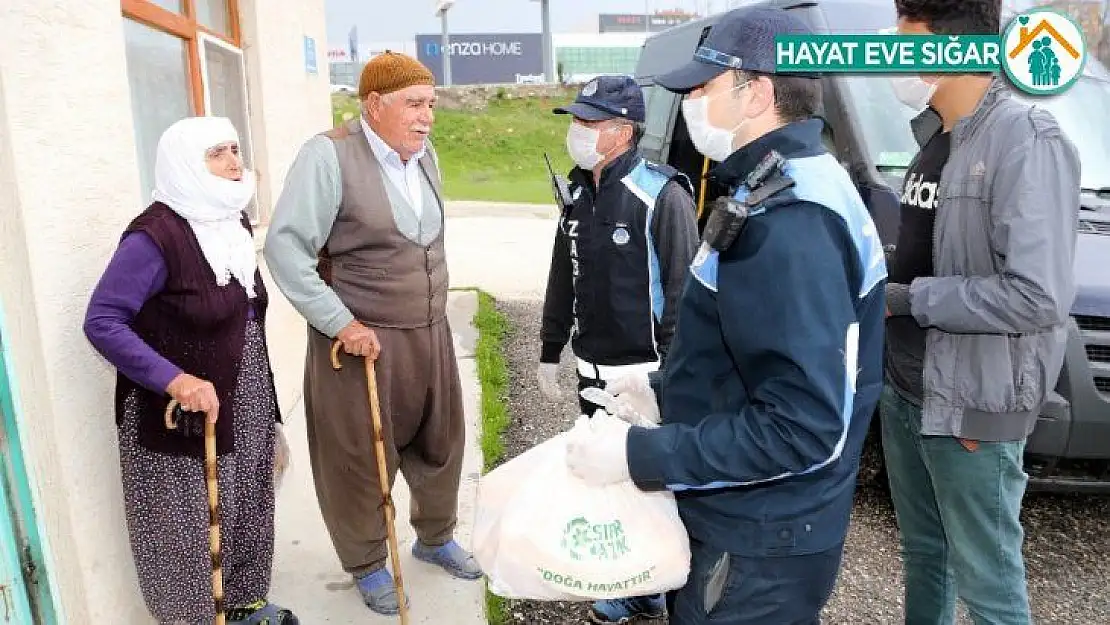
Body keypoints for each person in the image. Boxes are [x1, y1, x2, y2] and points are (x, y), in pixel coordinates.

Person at [563, 7, 888, 624]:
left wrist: (640, 456)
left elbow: (802, 428)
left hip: (760, 538)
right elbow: (752, 352)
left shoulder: (792, 218)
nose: (689, 101)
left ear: (758, 93)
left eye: (705, 87)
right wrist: (658, 389)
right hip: (753, 521)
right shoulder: (782, 182)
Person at [882, 2, 1080, 623]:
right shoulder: (935, 136)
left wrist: (911, 299)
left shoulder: (1025, 137)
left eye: (904, 35)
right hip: (908, 389)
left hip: (973, 400)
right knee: (925, 556)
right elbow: (932, 248)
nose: (890, 49)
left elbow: (1036, 295)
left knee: (988, 582)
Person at [262, 51, 480, 616]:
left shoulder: (423, 155)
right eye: (414, 103)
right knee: (358, 459)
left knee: (441, 442)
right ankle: (366, 563)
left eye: (430, 104)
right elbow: (286, 250)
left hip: (428, 332)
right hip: (360, 342)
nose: (426, 116)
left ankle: (435, 539)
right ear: (374, 105)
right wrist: (340, 322)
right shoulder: (328, 156)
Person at [83, 116, 296, 625]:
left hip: (241, 394)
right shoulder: (154, 238)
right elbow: (102, 321)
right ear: (184, 165)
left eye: (234, 149)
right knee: (181, 529)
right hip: (176, 413)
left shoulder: (231, 222)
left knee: (246, 499)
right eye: (216, 154)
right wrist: (174, 379)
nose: (233, 161)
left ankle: (243, 605)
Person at [538, 75, 699, 623]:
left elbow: (684, 293)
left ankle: (673, 587)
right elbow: (565, 274)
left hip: (646, 372)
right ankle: (635, 582)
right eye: (576, 121)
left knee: (659, 483)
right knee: (609, 480)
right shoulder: (579, 192)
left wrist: (674, 378)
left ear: (624, 131)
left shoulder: (663, 195)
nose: (578, 133)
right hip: (592, 368)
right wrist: (548, 346)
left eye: (590, 123)